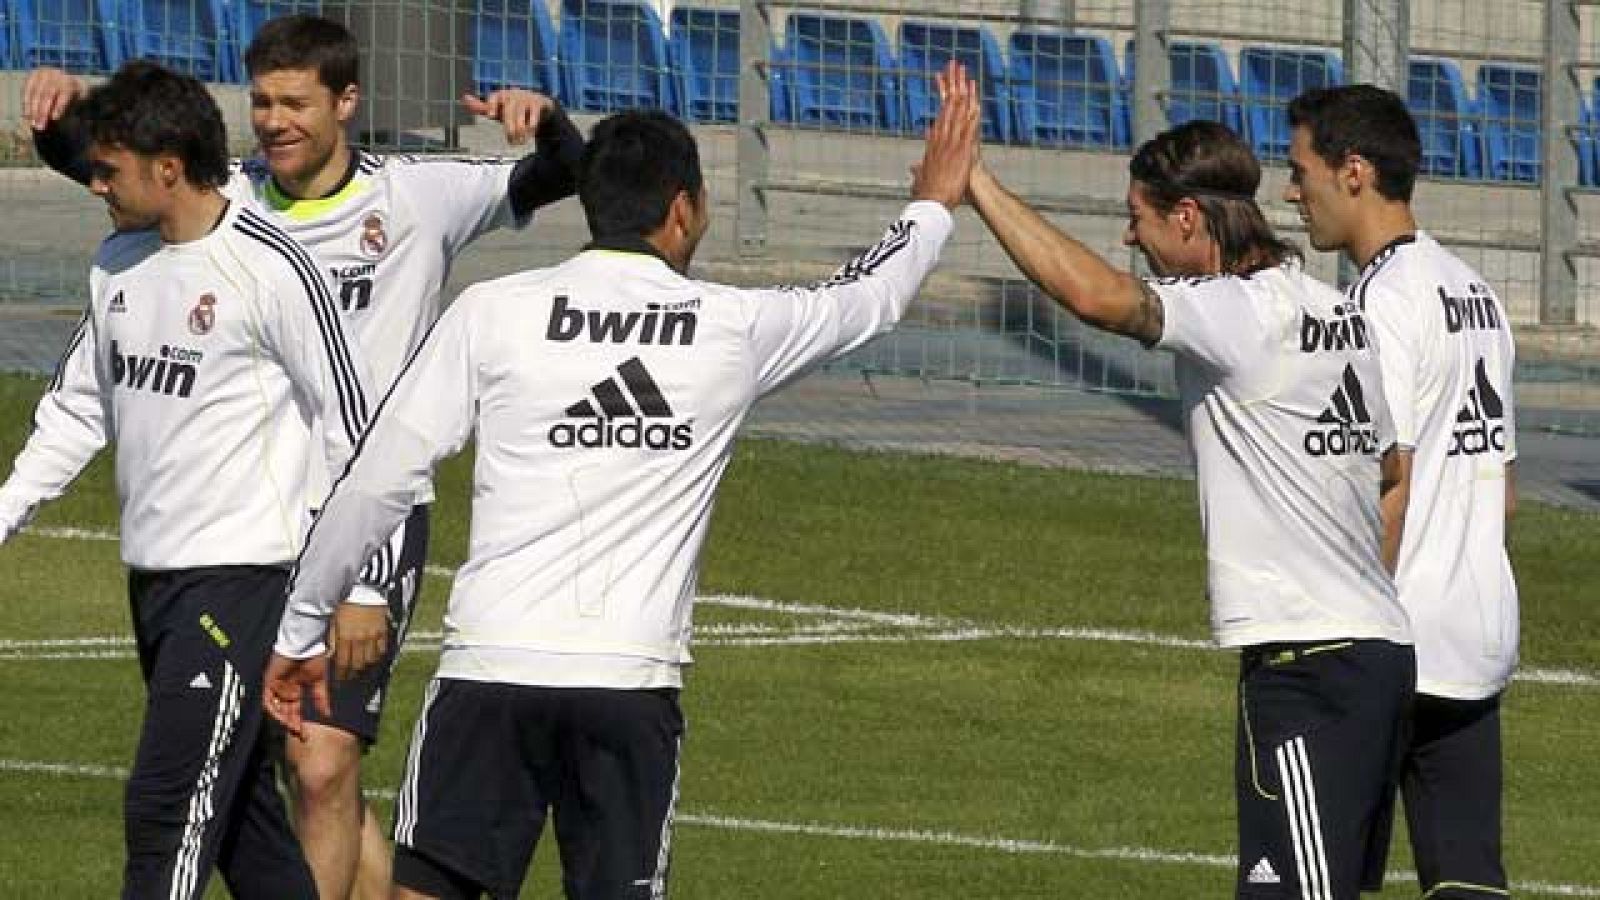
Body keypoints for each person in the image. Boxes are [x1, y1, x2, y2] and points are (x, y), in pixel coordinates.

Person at [262, 61, 978, 900]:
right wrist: (931, 204)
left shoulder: (495, 309)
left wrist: (302, 625)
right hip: (628, 684)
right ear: (684, 209)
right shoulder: (735, 327)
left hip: (491, 670)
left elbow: (377, 477)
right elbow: (873, 297)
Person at [23, 14, 584, 899]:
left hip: (371, 519)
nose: (275, 121)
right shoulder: (235, 195)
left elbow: (564, 171)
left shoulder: (419, 194)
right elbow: (130, 175)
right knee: (276, 772)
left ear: (347, 101)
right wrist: (59, 115)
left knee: (315, 762)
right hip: (268, 522)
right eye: (261, 103)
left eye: (295, 102)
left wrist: (542, 118)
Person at [963, 119, 1415, 898]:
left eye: (1137, 218)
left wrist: (975, 183)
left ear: (1186, 218)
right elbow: (1392, 471)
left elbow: (1097, 298)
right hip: (1373, 655)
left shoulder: (1236, 311)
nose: (1128, 238)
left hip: (1307, 667)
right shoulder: (1338, 312)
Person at [0, 60, 378, 899]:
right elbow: (76, 411)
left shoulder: (270, 268)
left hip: (244, 585)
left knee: (168, 808)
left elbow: (350, 428)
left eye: (108, 169)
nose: (94, 184)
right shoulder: (118, 266)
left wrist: (362, 583)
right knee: (244, 821)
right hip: (157, 584)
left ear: (167, 166)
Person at [1286, 85, 1519, 899]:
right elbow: (1505, 494)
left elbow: (1391, 485)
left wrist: (1344, 634)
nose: (1291, 192)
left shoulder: (1377, 305)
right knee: (1467, 881)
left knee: (1325, 875)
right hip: (1478, 632)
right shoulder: (1477, 292)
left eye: (1300, 169)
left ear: (1353, 172)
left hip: (1399, 643)